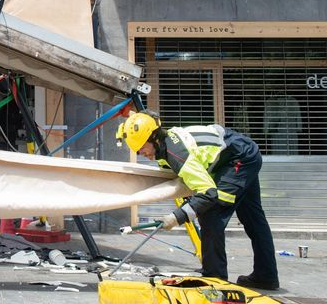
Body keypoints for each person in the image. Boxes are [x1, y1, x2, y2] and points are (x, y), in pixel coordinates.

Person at [116, 112, 279, 290]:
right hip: (240, 152)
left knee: (211, 215)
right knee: (254, 220)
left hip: (239, 158)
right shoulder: (165, 147)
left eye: (141, 147)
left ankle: (214, 279)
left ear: (154, 138)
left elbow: (209, 194)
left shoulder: (176, 153)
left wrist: (177, 216)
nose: (140, 152)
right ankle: (266, 276)